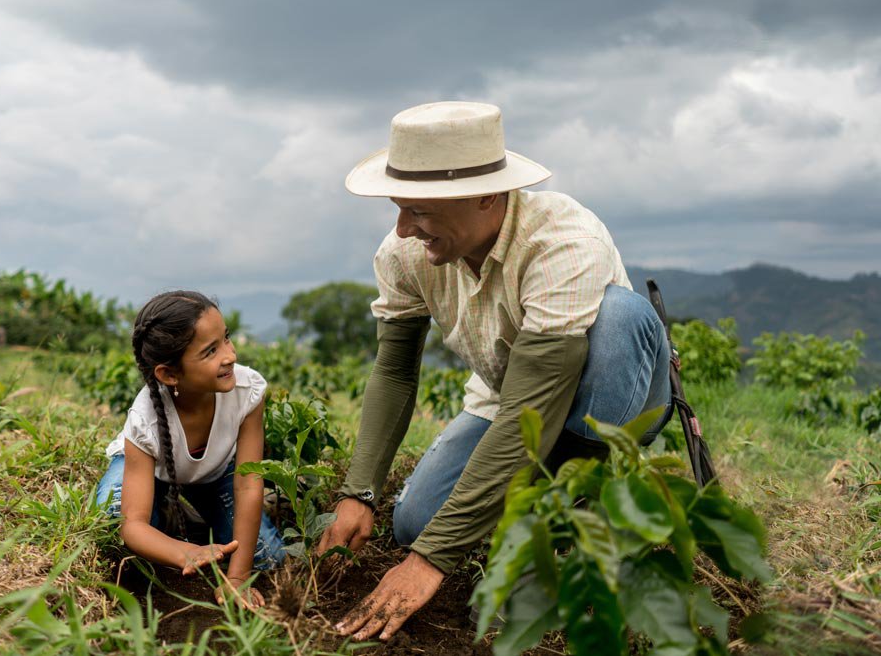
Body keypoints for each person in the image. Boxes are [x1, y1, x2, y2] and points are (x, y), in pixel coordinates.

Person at [318, 101, 672, 639]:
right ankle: (532, 504)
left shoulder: (562, 243)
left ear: (487, 196)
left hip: (611, 398)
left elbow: (535, 408)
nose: (404, 227)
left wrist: (430, 562)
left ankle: (583, 497)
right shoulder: (404, 254)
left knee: (621, 315)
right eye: (399, 207)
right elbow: (393, 373)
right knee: (414, 522)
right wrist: (358, 491)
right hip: (507, 395)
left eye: (420, 211)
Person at [95, 290, 287, 608]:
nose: (230, 355)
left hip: (214, 474)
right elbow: (133, 523)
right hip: (152, 474)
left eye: (226, 339)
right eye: (210, 351)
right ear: (169, 374)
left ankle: (192, 517)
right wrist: (184, 552)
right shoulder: (146, 419)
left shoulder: (247, 391)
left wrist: (237, 579)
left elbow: (248, 484)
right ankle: (169, 515)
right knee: (115, 525)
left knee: (269, 558)